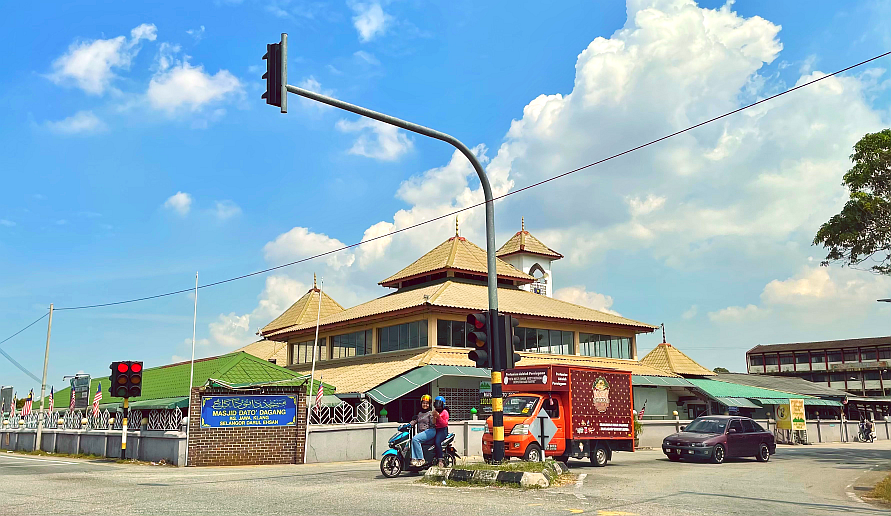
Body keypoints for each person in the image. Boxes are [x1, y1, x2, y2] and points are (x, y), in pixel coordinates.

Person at [409, 395, 435, 467]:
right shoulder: (420, 414)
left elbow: (433, 422)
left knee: (415, 439)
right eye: (424, 403)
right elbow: (415, 421)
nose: (425, 405)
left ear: (429, 404)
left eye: (427, 403)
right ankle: (414, 460)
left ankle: (420, 459)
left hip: (430, 431)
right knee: (413, 440)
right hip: (423, 433)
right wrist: (408, 425)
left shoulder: (430, 413)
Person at [432, 395, 450, 467]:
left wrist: (438, 417)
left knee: (437, 442)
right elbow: (433, 422)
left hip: (442, 430)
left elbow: (444, 423)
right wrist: (434, 416)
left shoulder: (445, 412)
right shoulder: (435, 412)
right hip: (435, 429)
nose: (438, 406)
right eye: (436, 404)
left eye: (439, 404)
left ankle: (440, 459)